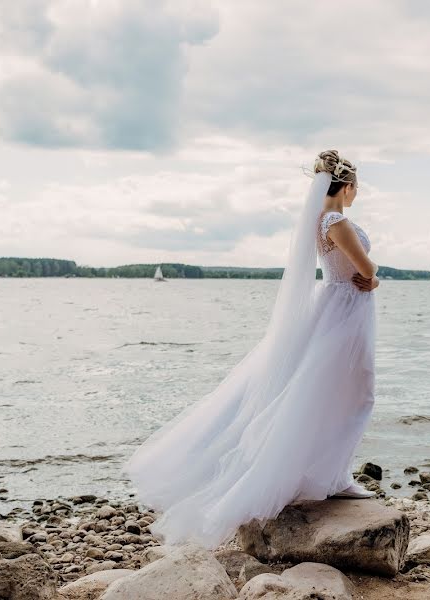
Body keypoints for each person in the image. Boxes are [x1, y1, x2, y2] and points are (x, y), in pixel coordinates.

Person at [122, 149, 379, 550]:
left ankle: (328, 474)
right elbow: (366, 269)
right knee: (354, 393)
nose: (355, 194)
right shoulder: (336, 220)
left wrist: (366, 278)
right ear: (346, 186)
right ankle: (333, 477)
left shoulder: (319, 220)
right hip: (343, 310)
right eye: (356, 188)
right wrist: (373, 279)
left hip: (338, 306)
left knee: (333, 393)